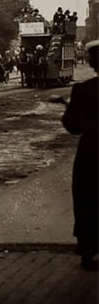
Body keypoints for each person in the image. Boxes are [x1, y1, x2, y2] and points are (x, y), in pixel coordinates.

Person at [61, 40, 98, 270]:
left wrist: (68, 108)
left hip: (92, 150)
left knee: (87, 195)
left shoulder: (83, 90)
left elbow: (73, 126)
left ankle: (87, 245)